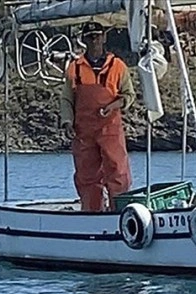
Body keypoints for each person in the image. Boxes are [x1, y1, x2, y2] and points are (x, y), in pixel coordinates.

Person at [60, 21, 135, 212]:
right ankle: (91, 213)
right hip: (83, 131)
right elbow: (67, 99)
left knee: (117, 171)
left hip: (110, 127)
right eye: (90, 37)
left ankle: (119, 211)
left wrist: (113, 106)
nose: (94, 41)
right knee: (87, 175)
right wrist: (67, 122)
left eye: (97, 36)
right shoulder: (74, 68)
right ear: (84, 40)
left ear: (104, 38)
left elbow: (129, 95)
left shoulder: (118, 66)